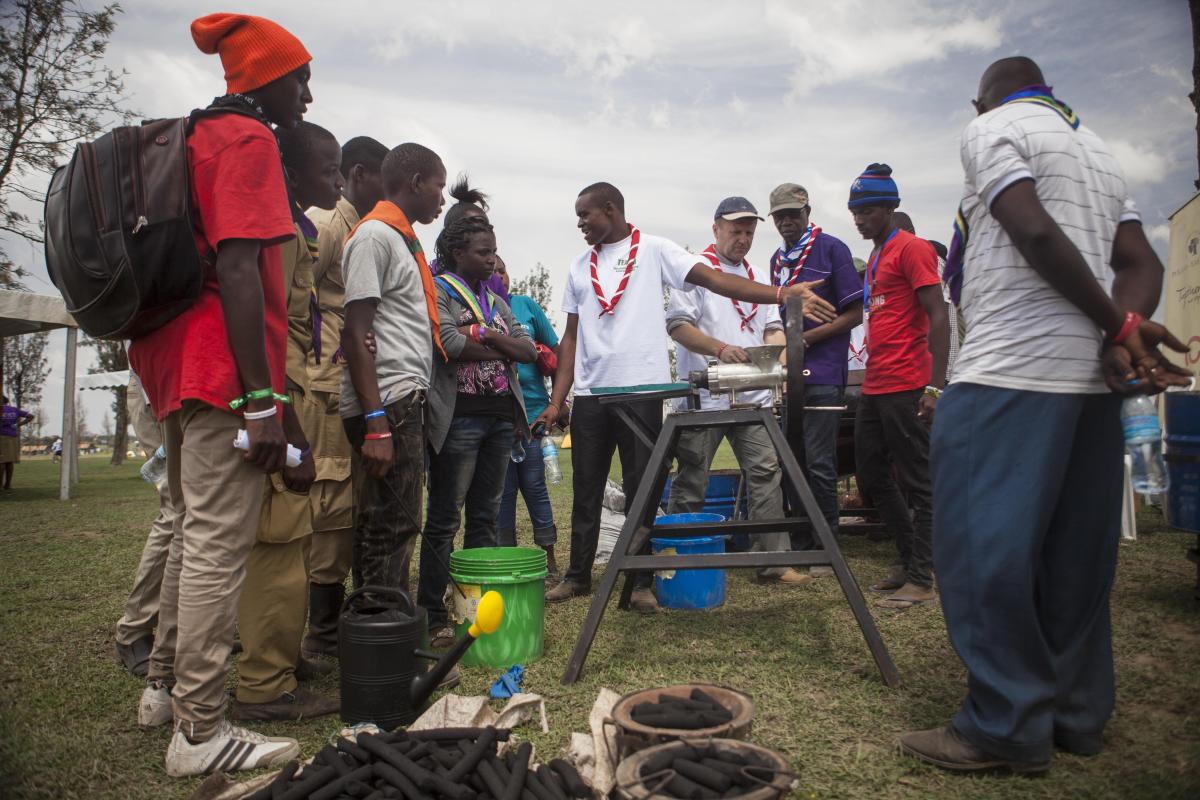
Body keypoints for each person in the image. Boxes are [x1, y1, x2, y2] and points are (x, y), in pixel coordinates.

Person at [900, 56, 1190, 774]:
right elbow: (1140, 263)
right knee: (1073, 558)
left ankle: (1005, 725)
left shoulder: (995, 130)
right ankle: (1077, 714)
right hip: (1087, 385)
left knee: (982, 554)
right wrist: (1119, 327)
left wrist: (1117, 330)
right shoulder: (1097, 151)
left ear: (981, 101)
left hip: (1008, 374)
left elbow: (1029, 232)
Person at [125, 12, 311, 777]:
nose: (307, 90)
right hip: (219, 366)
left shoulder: (196, 135)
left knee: (187, 525)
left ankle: (165, 688)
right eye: (299, 75)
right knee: (214, 545)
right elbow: (240, 269)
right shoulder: (247, 139)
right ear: (266, 78)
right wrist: (262, 401)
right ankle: (201, 731)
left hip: (174, 362)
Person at [537, 182, 836, 613]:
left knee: (644, 488)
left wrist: (780, 294)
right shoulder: (579, 265)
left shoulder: (655, 249)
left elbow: (716, 280)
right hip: (590, 395)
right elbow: (569, 337)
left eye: (585, 215)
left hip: (644, 391)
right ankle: (578, 576)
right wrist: (557, 399)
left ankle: (640, 582)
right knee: (586, 488)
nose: (580, 223)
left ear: (610, 208)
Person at [232, 121, 343, 722]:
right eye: (328, 171)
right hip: (282, 401)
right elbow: (271, 329)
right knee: (278, 540)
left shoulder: (299, 229)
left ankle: (282, 658)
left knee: (294, 536)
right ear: (293, 175)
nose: (337, 181)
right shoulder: (276, 233)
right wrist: (282, 417)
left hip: (290, 394)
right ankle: (265, 684)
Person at [665, 196, 806, 586]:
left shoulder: (759, 275)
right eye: (735, 230)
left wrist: (775, 357)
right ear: (716, 229)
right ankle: (679, 562)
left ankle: (772, 563)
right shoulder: (694, 271)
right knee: (693, 477)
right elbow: (678, 326)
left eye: (749, 232)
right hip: (705, 396)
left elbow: (773, 326)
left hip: (754, 397)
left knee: (765, 471)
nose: (742, 238)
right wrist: (721, 350)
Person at [421, 217, 536, 644]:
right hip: (459, 419)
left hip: (501, 417)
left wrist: (484, 332)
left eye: (493, 252)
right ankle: (433, 614)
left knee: (485, 518)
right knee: (445, 516)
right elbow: (448, 343)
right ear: (457, 254)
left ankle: (473, 611)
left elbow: (526, 349)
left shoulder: (494, 298)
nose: (491, 259)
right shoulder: (439, 290)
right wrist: (496, 347)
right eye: (482, 253)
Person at [340, 142, 446, 599]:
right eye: (438, 188)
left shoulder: (402, 240)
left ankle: (375, 643)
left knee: (387, 520)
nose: (441, 200)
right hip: (387, 401)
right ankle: (385, 640)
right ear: (416, 182)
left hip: (400, 398)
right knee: (393, 525)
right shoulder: (375, 237)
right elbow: (355, 331)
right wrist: (376, 423)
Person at [302, 136, 389, 662]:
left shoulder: (364, 227)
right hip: (325, 379)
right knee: (331, 499)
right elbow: (294, 289)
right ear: (360, 175)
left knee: (353, 500)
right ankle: (322, 632)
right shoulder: (330, 221)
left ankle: (339, 620)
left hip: (351, 377)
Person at [848, 164, 949, 611]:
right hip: (876, 383)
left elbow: (939, 315)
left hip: (909, 382)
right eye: (855, 212)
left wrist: (935, 387)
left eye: (868, 210)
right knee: (870, 474)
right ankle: (910, 561)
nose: (859, 219)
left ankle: (924, 578)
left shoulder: (913, 249)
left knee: (919, 481)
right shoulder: (876, 255)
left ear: (890, 208)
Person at [767, 183, 864, 567]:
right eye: (780, 215)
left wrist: (803, 339)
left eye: (794, 213)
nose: (787, 220)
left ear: (808, 212)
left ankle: (827, 544)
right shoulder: (778, 260)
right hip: (791, 379)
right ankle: (802, 537)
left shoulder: (832, 249)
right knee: (794, 460)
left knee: (821, 463)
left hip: (823, 374)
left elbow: (855, 314)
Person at [495, 258, 563, 579]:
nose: (499, 276)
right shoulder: (479, 310)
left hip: (534, 417)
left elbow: (557, 353)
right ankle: (506, 560)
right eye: (492, 270)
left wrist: (558, 403)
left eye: (502, 269)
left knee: (535, 486)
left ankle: (549, 560)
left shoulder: (525, 306)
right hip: (497, 420)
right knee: (503, 493)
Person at [113, 373, 180, 678]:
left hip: (180, 389)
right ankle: (133, 631)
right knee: (177, 512)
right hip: (159, 391)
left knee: (196, 516)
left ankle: (181, 632)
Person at [893, 212, 959, 382]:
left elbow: (944, 316)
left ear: (911, 232)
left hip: (936, 371)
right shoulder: (901, 260)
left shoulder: (928, 258)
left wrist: (942, 376)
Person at [0, 396, 33, 490]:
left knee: (1, 462)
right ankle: (8, 484)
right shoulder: (14, 410)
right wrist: (18, 425)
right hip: (12, 437)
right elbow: (31, 416)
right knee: (10, 461)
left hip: (1, 437)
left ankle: (0, 486)